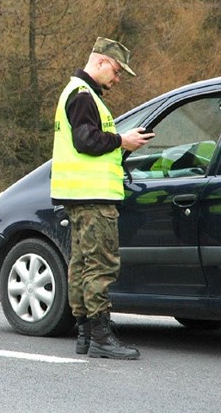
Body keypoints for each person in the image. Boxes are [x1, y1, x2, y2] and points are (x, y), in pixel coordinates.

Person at [50, 37, 154, 360]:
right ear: (100, 62)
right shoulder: (84, 97)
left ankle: (84, 333)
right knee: (100, 264)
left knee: (80, 263)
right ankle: (100, 337)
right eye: (117, 70)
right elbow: (86, 141)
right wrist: (123, 140)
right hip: (93, 196)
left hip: (78, 193)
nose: (118, 78)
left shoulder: (77, 94)